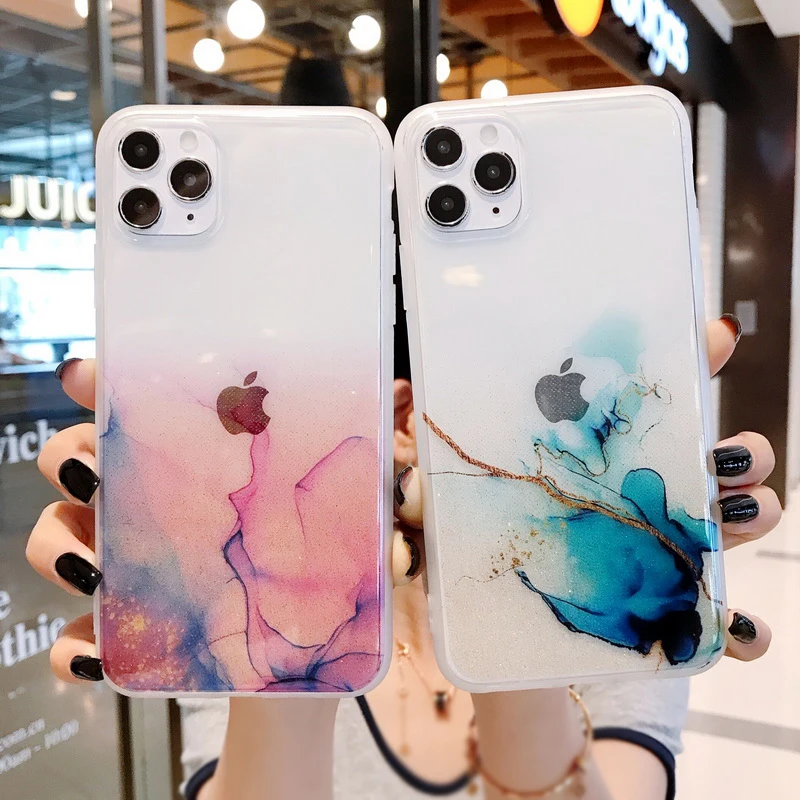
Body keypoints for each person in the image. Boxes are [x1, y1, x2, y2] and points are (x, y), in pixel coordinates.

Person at [28, 315, 779, 800]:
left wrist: (498, 615)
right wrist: (289, 621)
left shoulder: (615, 596)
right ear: (397, 413)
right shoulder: (234, 602)